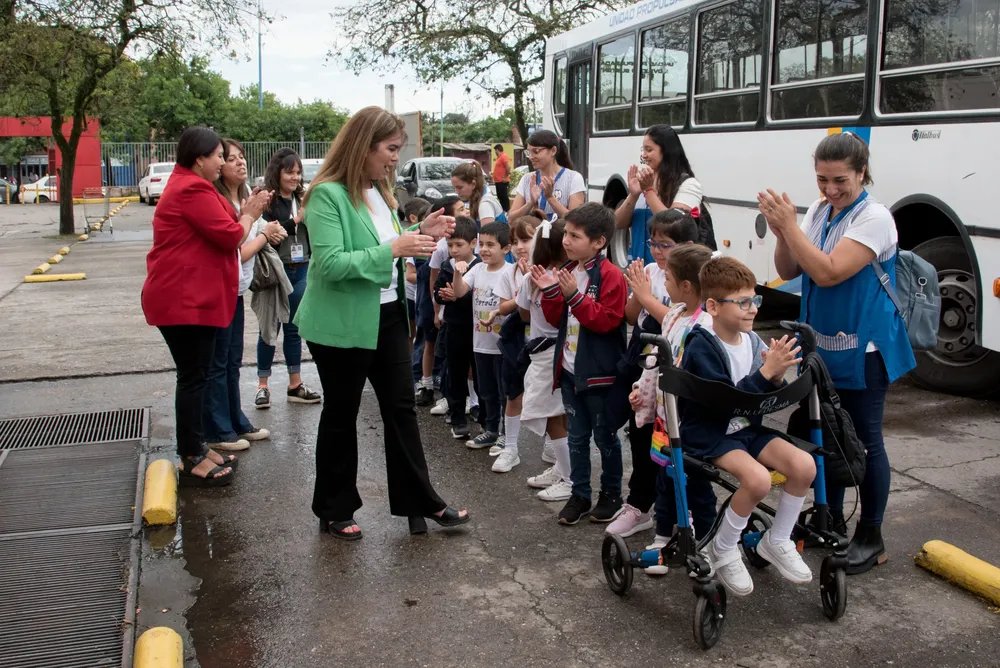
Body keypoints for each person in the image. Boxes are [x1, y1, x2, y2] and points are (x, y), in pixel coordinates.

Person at [295, 105, 469, 540]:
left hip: (388, 314)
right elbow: (331, 263)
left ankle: (420, 502)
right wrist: (395, 247)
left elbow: (385, 245)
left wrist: (419, 230)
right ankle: (334, 508)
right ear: (363, 146)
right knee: (342, 412)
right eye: (391, 149)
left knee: (401, 409)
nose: (395, 158)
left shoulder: (379, 193)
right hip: (340, 323)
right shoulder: (326, 195)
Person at [758, 132, 915, 575]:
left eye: (839, 180)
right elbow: (788, 270)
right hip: (821, 343)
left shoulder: (876, 217)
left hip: (863, 346)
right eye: (821, 180)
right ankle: (831, 519)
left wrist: (790, 227)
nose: (829, 190)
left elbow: (827, 273)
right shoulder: (820, 212)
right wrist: (782, 233)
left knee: (864, 440)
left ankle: (872, 534)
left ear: (862, 173)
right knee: (825, 433)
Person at [142, 126, 272, 486]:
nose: (221, 162)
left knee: (198, 375)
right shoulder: (190, 188)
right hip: (184, 301)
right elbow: (230, 234)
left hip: (194, 299)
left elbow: (227, 224)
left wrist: (243, 213)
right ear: (199, 158)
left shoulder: (194, 186)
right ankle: (192, 454)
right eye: (218, 156)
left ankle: (198, 444)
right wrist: (250, 213)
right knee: (194, 377)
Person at [679, 256, 816, 596]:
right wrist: (766, 374)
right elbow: (725, 400)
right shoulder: (702, 345)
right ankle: (723, 548)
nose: (752, 308)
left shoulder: (752, 341)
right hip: (709, 432)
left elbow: (758, 395)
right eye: (742, 302)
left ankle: (778, 539)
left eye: (755, 299)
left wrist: (778, 375)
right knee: (756, 479)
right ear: (713, 305)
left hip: (744, 428)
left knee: (804, 465)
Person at [605, 210, 700, 537]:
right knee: (639, 430)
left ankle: (673, 509)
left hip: (673, 366)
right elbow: (632, 317)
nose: (657, 251)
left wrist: (646, 297)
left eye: (666, 244)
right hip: (643, 363)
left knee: (670, 442)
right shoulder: (649, 271)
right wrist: (636, 292)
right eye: (653, 243)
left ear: (687, 245)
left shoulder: (695, 278)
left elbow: (681, 322)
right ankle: (639, 506)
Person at [624, 244, 718, 573]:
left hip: (691, 423)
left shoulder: (706, 325)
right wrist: (641, 391)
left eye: (668, 277)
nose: (663, 282)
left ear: (686, 286)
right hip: (665, 421)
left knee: (695, 487)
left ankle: (705, 542)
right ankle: (664, 538)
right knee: (665, 481)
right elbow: (654, 363)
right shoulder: (674, 315)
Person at [533, 203, 627, 525]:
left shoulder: (612, 276)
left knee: (604, 437)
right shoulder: (570, 272)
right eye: (566, 234)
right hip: (571, 372)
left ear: (599, 242)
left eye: (575, 236)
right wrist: (549, 292)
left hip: (600, 376)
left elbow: (607, 322)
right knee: (576, 438)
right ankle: (580, 494)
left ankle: (612, 494)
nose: (566, 242)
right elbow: (556, 319)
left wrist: (574, 297)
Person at [202, 138, 284, 453]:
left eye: (241, 157)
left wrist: (268, 229)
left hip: (235, 289)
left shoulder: (246, 196)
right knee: (218, 363)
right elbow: (236, 249)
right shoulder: (219, 200)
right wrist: (264, 235)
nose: (239, 163)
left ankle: (235, 420)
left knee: (233, 360)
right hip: (219, 290)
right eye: (230, 158)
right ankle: (218, 428)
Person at [255, 148, 321, 410]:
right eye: (289, 172)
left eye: (297, 173)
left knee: (294, 328)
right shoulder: (267, 200)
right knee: (269, 329)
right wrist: (296, 220)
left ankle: (295, 384)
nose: (294, 177)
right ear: (277, 172)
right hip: (275, 271)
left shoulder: (302, 198)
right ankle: (262, 386)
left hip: (301, 267)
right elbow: (271, 233)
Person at [518, 219, 572, 501]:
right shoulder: (569, 276)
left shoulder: (532, 278)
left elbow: (524, 314)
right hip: (556, 352)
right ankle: (562, 469)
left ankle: (568, 477)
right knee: (557, 414)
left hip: (546, 355)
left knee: (551, 415)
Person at [452, 221, 515, 452]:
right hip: (480, 343)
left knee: (503, 392)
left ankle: (507, 435)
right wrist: (458, 274)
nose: (484, 249)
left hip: (502, 346)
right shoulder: (477, 269)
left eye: (491, 245)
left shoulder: (510, 271)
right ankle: (490, 430)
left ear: (506, 248)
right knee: (486, 390)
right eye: (482, 244)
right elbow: (459, 292)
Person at [487, 214, 541, 473]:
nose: (520, 246)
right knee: (513, 393)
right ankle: (510, 448)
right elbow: (506, 307)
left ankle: (554, 446)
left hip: (544, 341)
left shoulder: (550, 269)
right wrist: (524, 285)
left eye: (527, 239)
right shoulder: (511, 272)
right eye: (516, 240)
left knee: (549, 396)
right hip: (517, 341)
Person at [613, 125, 707, 264]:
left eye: (649, 150)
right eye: (643, 150)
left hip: (671, 272)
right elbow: (617, 223)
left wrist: (649, 192)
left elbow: (675, 225)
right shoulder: (644, 181)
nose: (644, 155)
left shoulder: (687, 184)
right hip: (640, 271)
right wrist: (633, 195)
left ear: (666, 151)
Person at [433, 217, 482, 440]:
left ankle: (485, 418)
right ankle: (457, 418)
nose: (454, 250)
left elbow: (479, 294)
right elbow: (438, 294)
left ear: (473, 243)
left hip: (477, 330)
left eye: (459, 245)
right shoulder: (446, 266)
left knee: (480, 375)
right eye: (450, 245)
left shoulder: (481, 265)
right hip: (453, 328)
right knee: (455, 373)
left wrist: (459, 294)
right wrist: (445, 296)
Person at [509, 130, 586, 220]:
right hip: (532, 234)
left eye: (536, 151)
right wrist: (530, 203)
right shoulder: (527, 179)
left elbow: (576, 220)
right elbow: (511, 219)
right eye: (529, 152)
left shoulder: (573, 178)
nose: (531, 157)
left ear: (553, 151)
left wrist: (550, 198)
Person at [452, 161, 504, 226]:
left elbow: (487, 236)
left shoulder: (485, 205)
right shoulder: (480, 195)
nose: (456, 192)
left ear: (473, 184)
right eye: (454, 188)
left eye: (459, 187)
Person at [492, 144, 512, 212]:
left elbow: (508, 167)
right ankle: (503, 211)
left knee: (504, 197)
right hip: (498, 181)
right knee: (500, 197)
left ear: (498, 150)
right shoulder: (499, 157)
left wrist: (505, 177)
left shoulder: (504, 156)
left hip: (502, 181)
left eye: (495, 150)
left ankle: (507, 211)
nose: (495, 152)